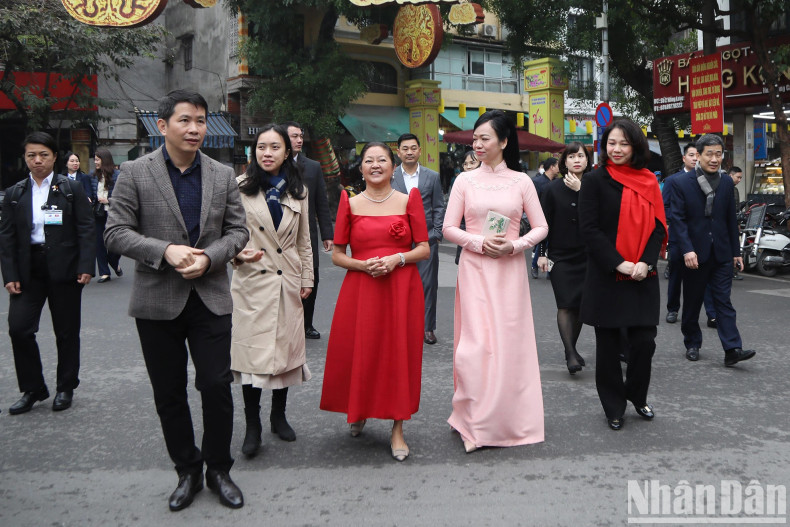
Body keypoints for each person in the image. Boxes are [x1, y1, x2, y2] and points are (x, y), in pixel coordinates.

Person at [104, 90, 248, 511]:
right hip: (156, 299)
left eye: (201, 121)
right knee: (168, 392)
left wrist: (209, 258)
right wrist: (164, 251)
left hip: (210, 297)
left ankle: (219, 468)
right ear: (163, 126)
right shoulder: (134, 172)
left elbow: (238, 232)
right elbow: (114, 232)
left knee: (216, 385)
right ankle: (187, 469)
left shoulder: (222, 174)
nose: (195, 129)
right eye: (185, 120)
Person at [443, 110, 548, 452]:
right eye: (475, 139)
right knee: (474, 348)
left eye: (484, 138)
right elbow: (448, 227)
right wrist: (477, 243)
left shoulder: (521, 181)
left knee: (507, 346)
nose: (477, 144)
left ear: (503, 142)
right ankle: (474, 423)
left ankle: (511, 421)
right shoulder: (464, 180)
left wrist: (514, 246)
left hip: (509, 271)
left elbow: (542, 227)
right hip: (474, 269)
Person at [320, 141, 429, 462]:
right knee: (362, 351)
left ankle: (397, 427)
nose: (376, 165)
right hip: (361, 289)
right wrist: (363, 265)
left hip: (401, 288)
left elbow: (423, 248)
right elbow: (338, 256)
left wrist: (397, 258)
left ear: (393, 167)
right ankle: (359, 410)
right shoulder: (349, 203)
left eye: (382, 159)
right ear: (362, 167)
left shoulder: (409, 200)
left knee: (399, 354)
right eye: (369, 160)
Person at [230, 124, 313, 458]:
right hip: (252, 280)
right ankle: (253, 425)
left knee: (285, 353)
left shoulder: (298, 191)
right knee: (254, 356)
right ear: (253, 152)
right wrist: (235, 255)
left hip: (288, 280)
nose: (267, 153)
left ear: (287, 152)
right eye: (261, 147)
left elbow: (304, 239)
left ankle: (279, 416)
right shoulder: (238, 188)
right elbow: (224, 234)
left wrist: (307, 277)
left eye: (274, 147)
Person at [578, 118, 667, 431]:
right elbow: (589, 229)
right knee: (608, 347)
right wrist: (619, 263)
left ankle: (637, 395)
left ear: (636, 146)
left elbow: (658, 226)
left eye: (624, 143)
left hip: (643, 276)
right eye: (611, 143)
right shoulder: (594, 180)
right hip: (607, 276)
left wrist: (645, 262)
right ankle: (613, 406)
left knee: (645, 344)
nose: (616, 149)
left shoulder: (648, 181)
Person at [0, 132, 95, 414]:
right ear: (25, 158)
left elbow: (86, 228)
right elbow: (6, 238)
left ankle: (65, 387)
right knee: (19, 328)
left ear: (54, 156)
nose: (37, 160)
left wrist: (85, 266)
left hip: (65, 268)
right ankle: (33, 388)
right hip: (28, 269)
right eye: (31, 155)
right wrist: (10, 275)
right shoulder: (15, 193)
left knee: (66, 332)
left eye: (43, 154)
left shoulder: (70, 188)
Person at [670, 134, 756, 367]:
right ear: (698, 155)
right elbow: (677, 220)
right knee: (693, 302)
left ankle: (732, 349)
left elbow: (730, 219)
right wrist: (687, 250)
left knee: (723, 301)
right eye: (710, 153)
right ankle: (692, 343)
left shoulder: (726, 182)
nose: (715, 158)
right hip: (694, 255)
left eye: (719, 154)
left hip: (721, 253)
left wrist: (736, 252)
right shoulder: (680, 183)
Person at [537, 142, 591, 375]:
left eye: (581, 156)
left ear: (587, 160)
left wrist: (582, 192)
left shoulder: (593, 186)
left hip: (588, 254)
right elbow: (542, 223)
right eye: (571, 156)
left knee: (579, 304)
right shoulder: (552, 189)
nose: (576, 160)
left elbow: (600, 217)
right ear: (564, 162)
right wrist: (541, 253)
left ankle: (573, 347)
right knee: (565, 304)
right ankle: (570, 353)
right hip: (560, 255)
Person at [392, 133, 445, 345]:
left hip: (427, 238)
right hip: (397, 239)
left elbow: (439, 206)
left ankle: (427, 328)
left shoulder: (431, 176)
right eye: (405, 149)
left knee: (428, 285)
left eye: (413, 148)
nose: (409, 152)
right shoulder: (390, 176)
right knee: (398, 285)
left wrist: (437, 233)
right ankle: (400, 326)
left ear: (420, 151)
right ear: (398, 152)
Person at [283, 121, 334, 339]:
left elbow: (321, 202)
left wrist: (327, 233)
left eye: (300, 136)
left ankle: (307, 324)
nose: (299, 140)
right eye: (294, 136)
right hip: (282, 231)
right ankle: (286, 324)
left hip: (307, 231)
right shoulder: (275, 164)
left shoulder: (312, 166)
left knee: (310, 277)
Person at [662, 144, 716, 326]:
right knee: (676, 275)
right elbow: (665, 206)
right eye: (691, 155)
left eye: (696, 155)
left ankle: (712, 313)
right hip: (679, 237)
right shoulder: (673, 181)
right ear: (684, 158)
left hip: (703, 239)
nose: (694, 158)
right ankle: (672, 308)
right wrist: (679, 219)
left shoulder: (710, 179)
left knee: (706, 277)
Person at [90, 148, 122, 283]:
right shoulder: (92, 175)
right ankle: (104, 272)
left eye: (97, 159)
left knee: (116, 242)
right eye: (95, 159)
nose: (95, 162)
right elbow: (90, 192)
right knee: (99, 243)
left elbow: (122, 197)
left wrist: (108, 200)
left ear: (105, 160)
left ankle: (113, 261)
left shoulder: (118, 175)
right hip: (98, 213)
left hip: (113, 213)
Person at [530, 157, 559, 278]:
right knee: (542, 243)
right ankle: (534, 266)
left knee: (549, 244)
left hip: (555, 218)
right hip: (541, 218)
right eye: (557, 165)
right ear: (551, 167)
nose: (559, 167)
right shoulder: (537, 182)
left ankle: (549, 270)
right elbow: (533, 201)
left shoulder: (556, 182)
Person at [453, 151, 482, 265]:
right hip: (466, 235)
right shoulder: (460, 184)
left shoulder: (490, 184)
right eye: (465, 164)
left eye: (472, 163)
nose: (468, 166)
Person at [728, 166, 744, 281]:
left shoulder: (735, 190)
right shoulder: (726, 188)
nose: (739, 180)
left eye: (741, 178)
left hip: (734, 222)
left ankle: (733, 270)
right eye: (737, 177)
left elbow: (736, 209)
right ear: (731, 175)